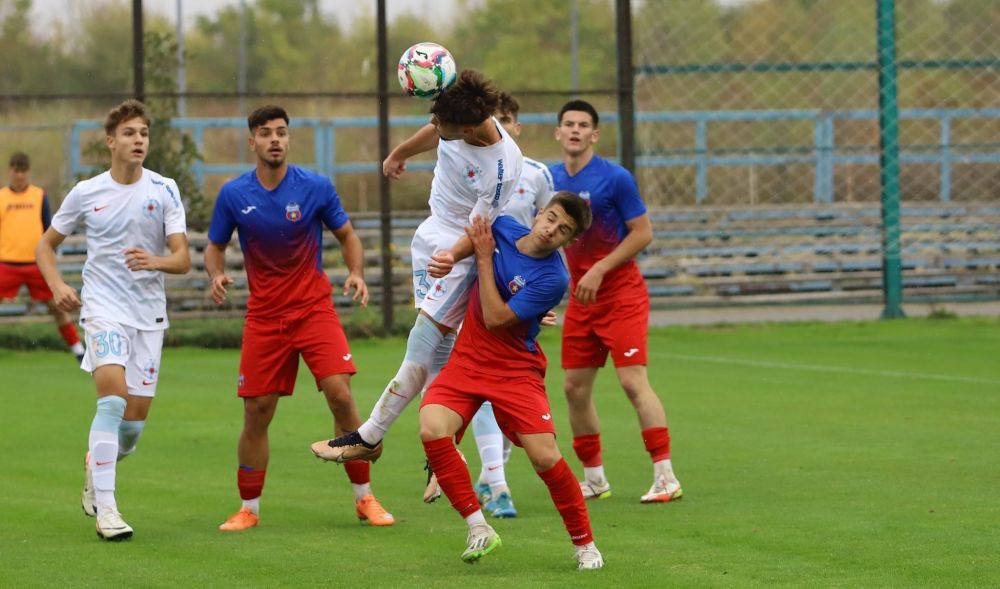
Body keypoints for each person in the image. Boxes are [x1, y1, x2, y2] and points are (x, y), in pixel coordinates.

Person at [310, 70, 523, 478]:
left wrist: (452, 256)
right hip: (430, 236)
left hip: (459, 250)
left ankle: (369, 436)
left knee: (422, 340)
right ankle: (444, 455)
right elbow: (434, 132)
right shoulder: (458, 120)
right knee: (438, 352)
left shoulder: (503, 169)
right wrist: (400, 153)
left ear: (466, 131)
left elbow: (481, 230)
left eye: (441, 125)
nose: (434, 127)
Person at [206, 105, 394, 532]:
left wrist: (356, 272)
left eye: (281, 132)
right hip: (264, 316)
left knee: (340, 395)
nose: (275, 139)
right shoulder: (234, 194)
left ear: (288, 139)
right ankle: (249, 508)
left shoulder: (315, 187)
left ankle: (365, 498)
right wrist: (216, 274)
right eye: (266, 133)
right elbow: (214, 246)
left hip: (313, 309)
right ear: (252, 141)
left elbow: (347, 235)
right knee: (257, 411)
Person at [418, 193, 603, 570]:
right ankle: (478, 527)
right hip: (468, 361)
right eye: (551, 218)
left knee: (545, 457)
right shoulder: (501, 227)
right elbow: (473, 237)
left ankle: (585, 545)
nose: (551, 230)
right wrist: (453, 256)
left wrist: (484, 259)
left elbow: (496, 319)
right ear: (539, 213)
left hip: (515, 370)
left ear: (569, 241)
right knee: (431, 427)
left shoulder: (554, 278)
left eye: (563, 230)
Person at [35, 99, 191, 540]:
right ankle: (107, 511)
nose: (138, 140)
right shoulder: (87, 192)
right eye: (129, 133)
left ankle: (96, 463)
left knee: (132, 431)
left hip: (148, 317)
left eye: (143, 133)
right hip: (102, 310)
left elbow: (182, 260)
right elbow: (44, 246)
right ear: (111, 141)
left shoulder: (164, 189)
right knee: (112, 401)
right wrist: (57, 285)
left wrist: (155, 261)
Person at [550, 99, 683, 503]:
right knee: (574, 388)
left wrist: (599, 269)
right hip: (581, 301)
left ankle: (665, 477)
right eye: (569, 124)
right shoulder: (547, 179)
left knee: (631, 381)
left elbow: (643, 232)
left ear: (594, 134)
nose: (575, 130)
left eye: (583, 125)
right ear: (558, 132)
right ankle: (595, 479)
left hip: (621, 294)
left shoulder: (615, 178)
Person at [469, 91, 555, 518]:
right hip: (474, 283)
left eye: (505, 120)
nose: (498, 126)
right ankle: (498, 483)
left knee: (505, 390)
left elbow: (552, 231)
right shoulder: (468, 166)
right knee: (478, 383)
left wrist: (543, 297)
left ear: (516, 127)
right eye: (492, 119)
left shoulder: (537, 174)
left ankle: (490, 475)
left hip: (518, 294)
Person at [0, 152, 85, 362]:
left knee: (57, 306)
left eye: (23, 171)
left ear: (28, 172)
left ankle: (78, 350)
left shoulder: (39, 196)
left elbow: (49, 230)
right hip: (6, 263)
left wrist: (50, 259)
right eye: (16, 171)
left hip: (36, 263)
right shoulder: (1, 197)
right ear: (10, 171)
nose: (20, 175)